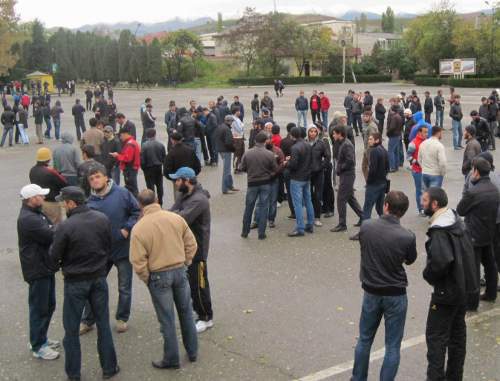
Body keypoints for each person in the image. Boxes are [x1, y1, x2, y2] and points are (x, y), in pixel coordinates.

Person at [48, 186, 119, 380]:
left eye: (64, 202)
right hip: (98, 277)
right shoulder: (101, 219)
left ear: (72, 203)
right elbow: (108, 245)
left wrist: (60, 265)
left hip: (75, 281)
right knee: (103, 324)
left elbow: (54, 255)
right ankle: (109, 368)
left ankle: (74, 373)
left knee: (71, 329)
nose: (63, 205)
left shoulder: (66, 226)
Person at [351, 191, 416, 381]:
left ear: (386, 206)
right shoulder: (407, 236)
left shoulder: (367, 226)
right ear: (403, 212)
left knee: (364, 339)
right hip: (395, 293)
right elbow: (410, 260)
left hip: (371, 290)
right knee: (393, 346)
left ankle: (358, 378)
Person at [130, 189, 198, 369]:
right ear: (157, 200)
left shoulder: (139, 228)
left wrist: (147, 278)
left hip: (158, 275)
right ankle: (192, 352)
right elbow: (191, 243)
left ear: (140, 204)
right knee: (186, 313)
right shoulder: (175, 218)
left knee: (167, 319)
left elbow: (138, 260)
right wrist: (186, 261)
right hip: (179, 270)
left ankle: (171, 359)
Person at [421, 187, 478, 381]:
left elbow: (440, 263)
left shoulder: (440, 231)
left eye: (425, 199)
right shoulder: (456, 221)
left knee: (436, 340)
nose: (422, 202)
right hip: (462, 289)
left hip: (446, 293)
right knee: (457, 338)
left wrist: (427, 274)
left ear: (435, 204)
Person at [80, 167, 140, 335]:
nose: (95, 181)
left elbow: (136, 211)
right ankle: (88, 320)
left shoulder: (122, 193)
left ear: (106, 178)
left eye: (98, 177)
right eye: (91, 179)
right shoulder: (89, 201)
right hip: (100, 252)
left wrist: (127, 228)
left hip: (122, 249)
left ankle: (122, 318)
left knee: (124, 287)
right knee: (94, 286)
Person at [17, 184, 59, 360]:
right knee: (39, 308)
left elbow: (50, 229)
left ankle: (41, 337)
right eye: (40, 196)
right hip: (37, 269)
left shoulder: (35, 213)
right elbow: (51, 235)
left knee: (48, 305)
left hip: (43, 266)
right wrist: (56, 229)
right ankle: (38, 345)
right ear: (31, 199)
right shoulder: (29, 219)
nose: (43, 198)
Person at [169, 168, 213, 333]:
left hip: (198, 249)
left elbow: (180, 218)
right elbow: (172, 212)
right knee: (192, 283)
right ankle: (199, 310)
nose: (175, 183)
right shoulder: (184, 195)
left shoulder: (199, 200)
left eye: (177, 180)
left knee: (199, 284)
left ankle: (206, 317)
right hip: (187, 246)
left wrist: (173, 214)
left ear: (186, 180)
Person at [457, 158, 499, 308]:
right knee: (490, 264)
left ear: (476, 171)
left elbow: (461, 209)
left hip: (474, 234)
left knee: (472, 268)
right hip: (489, 232)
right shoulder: (494, 189)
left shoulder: (473, 192)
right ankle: (491, 292)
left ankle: (472, 302)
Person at [239, 131, 278, 240]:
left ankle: (245, 231)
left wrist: (250, 171)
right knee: (264, 207)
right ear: (265, 141)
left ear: (255, 140)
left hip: (252, 183)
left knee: (249, 207)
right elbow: (274, 169)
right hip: (265, 183)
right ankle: (261, 233)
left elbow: (242, 168)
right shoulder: (269, 154)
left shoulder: (247, 153)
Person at [331, 125, 363, 232]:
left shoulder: (346, 145)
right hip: (346, 174)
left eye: (334, 133)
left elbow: (350, 161)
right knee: (349, 198)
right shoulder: (342, 143)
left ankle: (342, 224)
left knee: (341, 199)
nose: (333, 135)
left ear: (340, 134)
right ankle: (363, 217)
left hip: (347, 175)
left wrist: (340, 168)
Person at [286, 127, 315, 237]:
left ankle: (299, 228)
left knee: (297, 204)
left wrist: (286, 163)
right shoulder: (308, 144)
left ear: (293, 135)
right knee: (308, 201)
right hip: (306, 177)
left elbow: (293, 165)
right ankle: (310, 224)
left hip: (297, 178)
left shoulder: (295, 147)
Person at [29, 148, 67, 224]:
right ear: (48, 159)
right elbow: (63, 183)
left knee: (43, 224)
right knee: (56, 225)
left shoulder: (32, 170)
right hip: (52, 202)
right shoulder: (50, 171)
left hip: (38, 202)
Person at [307, 124, 330, 227]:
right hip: (307, 173)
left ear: (317, 132)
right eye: (311, 131)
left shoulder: (321, 143)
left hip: (318, 173)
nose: (312, 133)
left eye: (314, 131)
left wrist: (322, 166)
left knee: (317, 195)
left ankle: (317, 217)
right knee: (308, 195)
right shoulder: (304, 143)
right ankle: (310, 215)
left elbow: (327, 156)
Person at [110, 125, 141, 197]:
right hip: (132, 168)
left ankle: (135, 203)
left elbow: (127, 158)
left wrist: (117, 155)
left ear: (124, 134)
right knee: (132, 187)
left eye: (120, 136)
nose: (120, 138)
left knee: (132, 188)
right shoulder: (132, 142)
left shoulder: (130, 144)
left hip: (130, 169)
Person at [141, 128, 166, 206]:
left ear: (147, 135)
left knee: (150, 187)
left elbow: (142, 160)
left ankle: (152, 202)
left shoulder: (144, 146)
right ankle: (160, 201)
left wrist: (144, 169)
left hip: (148, 168)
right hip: (158, 167)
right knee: (159, 185)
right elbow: (164, 158)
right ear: (155, 134)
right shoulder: (160, 145)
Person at [407, 125, 428, 215]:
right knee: (420, 190)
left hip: (427, 170)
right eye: (425, 132)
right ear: (419, 132)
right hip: (417, 171)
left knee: (426, 190)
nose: (427, 134)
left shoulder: (427, 141)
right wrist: (417, 162)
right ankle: (421, 209)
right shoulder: (413, 143)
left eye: (427, 132)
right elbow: (408, 156)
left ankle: (426, 208)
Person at [215, 115, 238, 194]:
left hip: (221, 150)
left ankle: (230, 185)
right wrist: (234, 149)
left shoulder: (220, 126)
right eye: (232, 121)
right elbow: (228, 143)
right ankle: (225, 189)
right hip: (226, 151)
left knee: (228, 169)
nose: (232, 123)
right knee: (227, 170)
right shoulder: (227, 129)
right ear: (229, 121)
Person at [231, 107, 245, 174]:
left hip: (240, 138)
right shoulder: (234, 119)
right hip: (237, 139)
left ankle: (239, 167)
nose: (240, 112)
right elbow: (239, 129)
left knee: (241, 154)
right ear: (236, 112)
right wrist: (242, 126)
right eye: (239, 111)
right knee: (237, 154)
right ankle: (236, 168)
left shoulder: (237, 119)